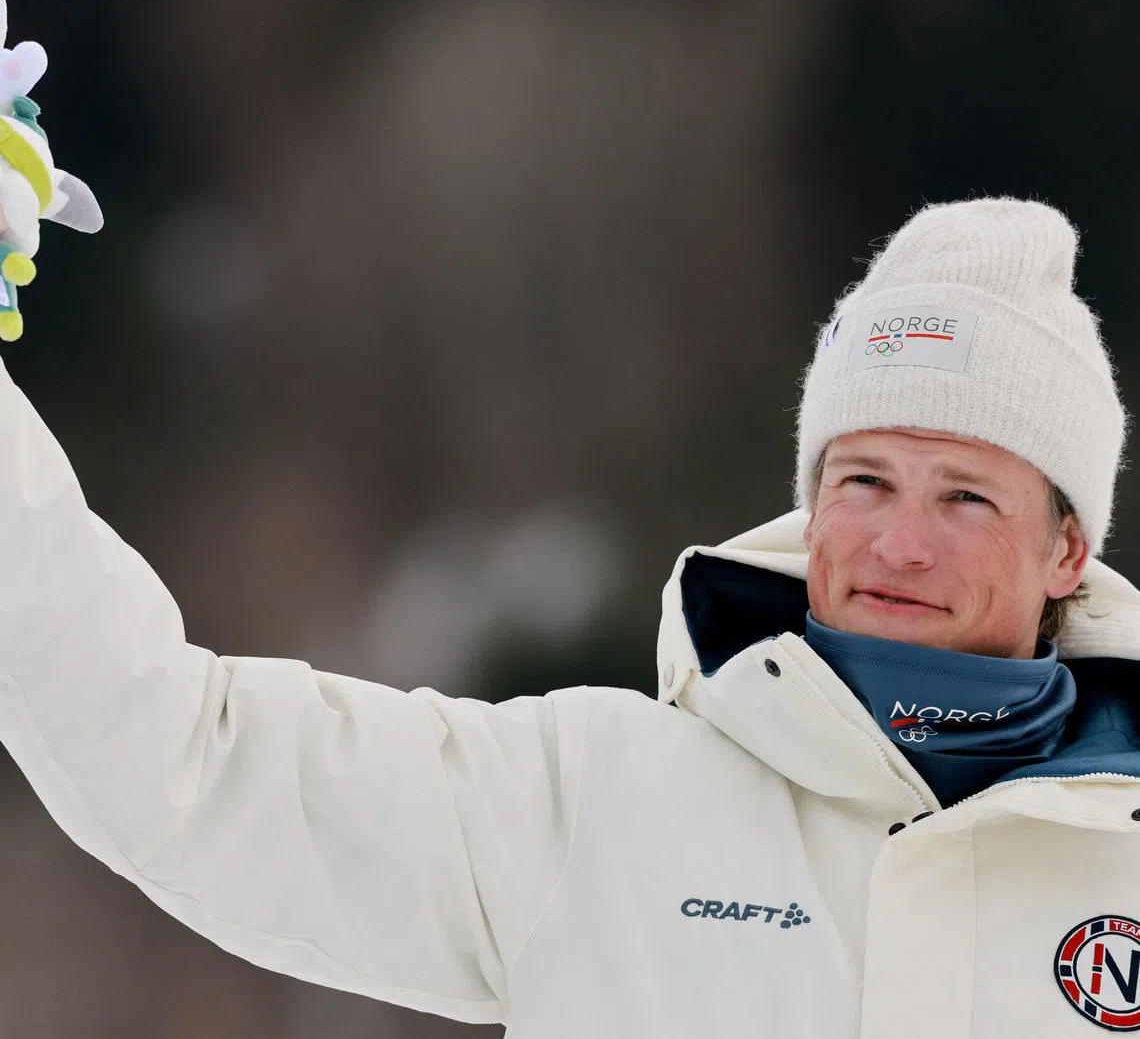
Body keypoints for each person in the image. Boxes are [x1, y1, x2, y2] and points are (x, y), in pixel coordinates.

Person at [3, 196, 1140, 1039]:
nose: (900, 542)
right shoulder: (595, 800)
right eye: (865, 482)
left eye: (967, 497)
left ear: (1067, 549)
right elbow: (182, 757)